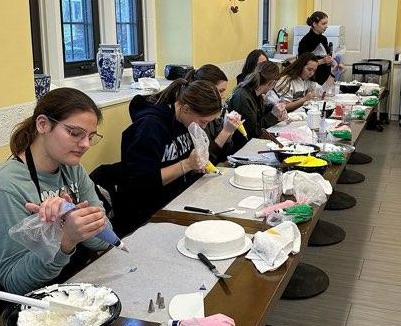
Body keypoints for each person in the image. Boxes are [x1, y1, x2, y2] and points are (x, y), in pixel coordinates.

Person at [0, 89, 109, 305]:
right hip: (15, 306)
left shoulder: (72, 169)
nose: (86, 145)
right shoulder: (0, 188)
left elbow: (103, 242)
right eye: (75, 133)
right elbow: (15, 284)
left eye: (91, 137)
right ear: (43, 124)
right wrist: (65, 240)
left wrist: (75, 218)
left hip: (69, 285)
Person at [114, 77, 223, 236]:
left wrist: (195, 168)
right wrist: (187, 165)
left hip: (175, 203)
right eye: (203, 121)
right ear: (185, 108)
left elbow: (178, 162)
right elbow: (141, 183)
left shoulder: (185, 122)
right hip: (144, 217)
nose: (204, 127)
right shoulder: (149, 127)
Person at [183, 64, 242, 161]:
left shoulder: (213, 114)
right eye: (220, 91)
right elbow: (206, 160)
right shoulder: (194, 117)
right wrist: (226, 132)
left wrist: (229, 132)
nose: (223, 96)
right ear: (206, 90)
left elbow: (223, 155)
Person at [225, 61, 282, 154]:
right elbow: (253, 132)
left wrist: (274, 111)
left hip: (246, 144)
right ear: (272, 83)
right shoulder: (243, 97)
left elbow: (259, 116)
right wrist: (273, 115)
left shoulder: (256, 94)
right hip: (238, 149)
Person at [298, 11, 335, 86]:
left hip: (325, 78)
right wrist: (323, 61)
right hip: (312, 80)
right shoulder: (305, 41)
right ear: (314, 24)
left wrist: (331, 61)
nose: (326, 26)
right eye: (323, 23)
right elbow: (303, 63)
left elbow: (326, 56)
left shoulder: (324, 39)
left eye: (326, 23)